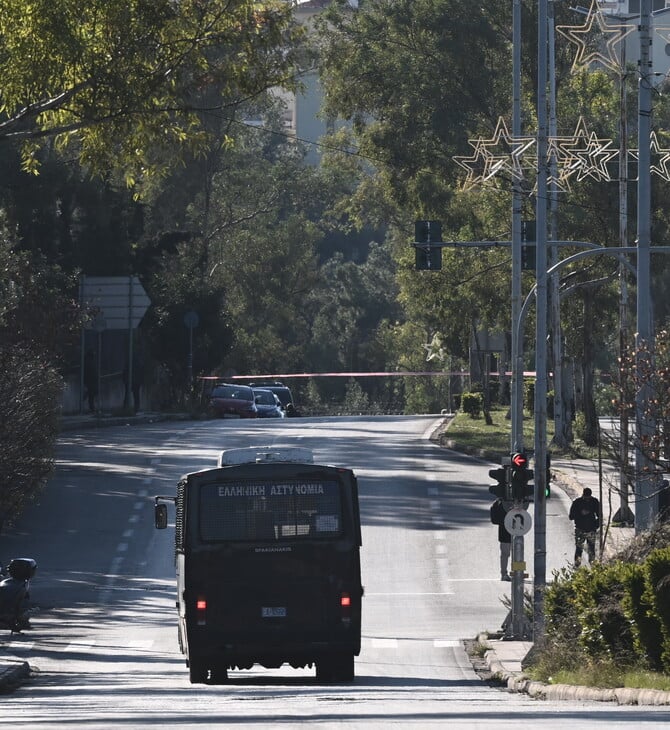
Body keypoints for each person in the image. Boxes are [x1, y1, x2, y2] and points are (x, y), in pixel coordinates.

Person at [569, 487, 600, 567]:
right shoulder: (577, 502)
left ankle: (592, 565)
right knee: (579, 549)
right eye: (585, 497)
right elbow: (571, 516)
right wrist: (580, 513)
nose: (587, 499)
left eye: (588, 497)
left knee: (591, 549)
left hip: (591, 529)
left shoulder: (594, 502)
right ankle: (577, 565)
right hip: (580, 529)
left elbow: (600, 516)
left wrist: (596, 525)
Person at [490, 498, 512, 581]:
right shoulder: (499, 503)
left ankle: (517, 572)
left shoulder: (519, 499)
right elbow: (495, 519)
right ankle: (504, 574)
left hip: (515, 531)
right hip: (506, 532)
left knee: (514, 553)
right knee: (506, 554)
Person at [83, 349, 98, 413]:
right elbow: (88, 373)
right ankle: (92, 408)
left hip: (92, 381)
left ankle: (92, 408)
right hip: (90, 381)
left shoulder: (90, 362)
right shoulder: (88, 362)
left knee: (91, 395)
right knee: (91, 395)